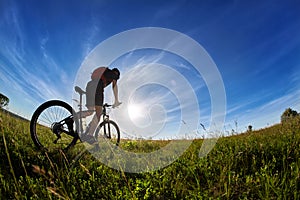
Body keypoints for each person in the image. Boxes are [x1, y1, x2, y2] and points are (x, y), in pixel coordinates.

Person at [82, 66, 121, 143]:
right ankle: (89, 135)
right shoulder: (113, 74)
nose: (116, 79)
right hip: (98, 86)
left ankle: (73, 118)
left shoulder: (105, 73)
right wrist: (116, 101)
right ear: (116, 73)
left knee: (90, 112)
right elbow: (114, 86)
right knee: (98, 113)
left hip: (90, 85)